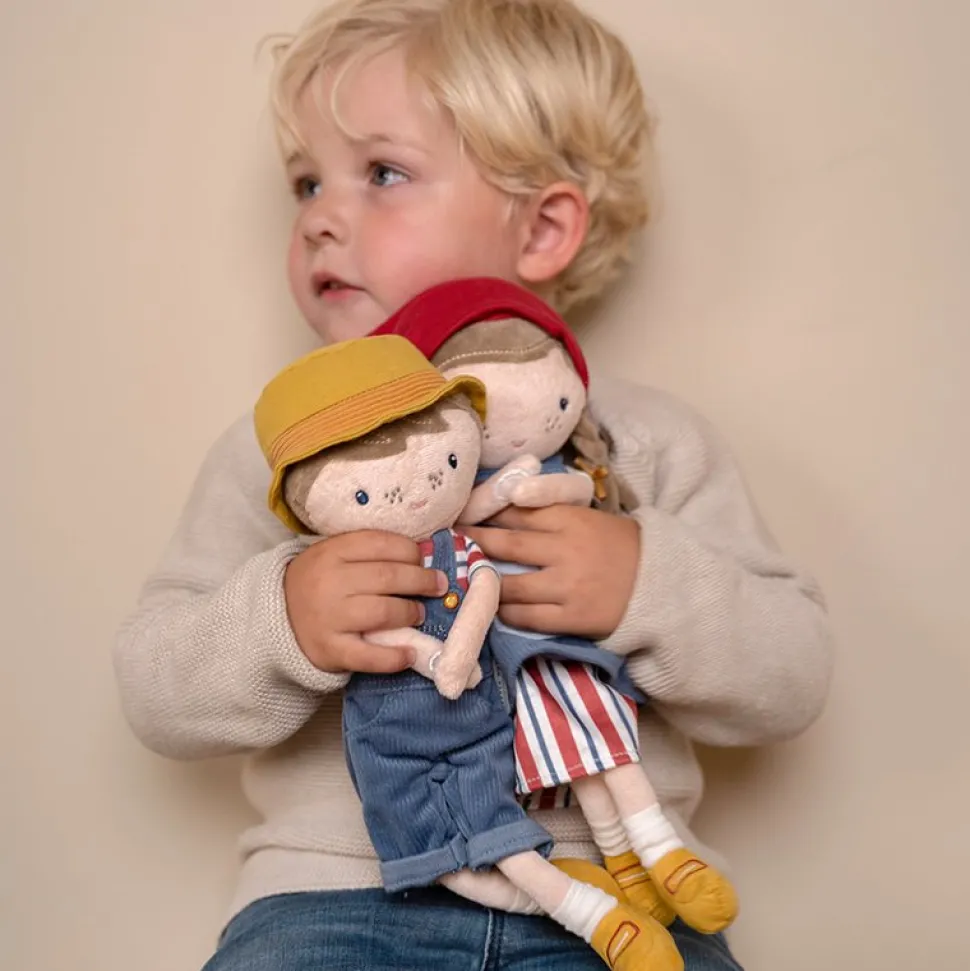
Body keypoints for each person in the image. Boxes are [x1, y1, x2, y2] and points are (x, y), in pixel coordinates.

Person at [112, 1, 834, 969]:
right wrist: (285, 618)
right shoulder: (285, 445)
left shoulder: (648, 439)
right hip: (338, 900)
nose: (319, 217)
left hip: (625, 901)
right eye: (305, 183)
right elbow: (153, 685)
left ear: (543, 228)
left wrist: (645, 586)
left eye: (382, 173)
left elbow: (792, 675)